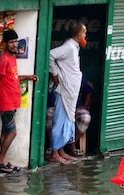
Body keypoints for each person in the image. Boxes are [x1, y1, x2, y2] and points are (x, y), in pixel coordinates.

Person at [0, 29, 38, 173]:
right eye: (11, 42)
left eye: (15, 41)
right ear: (5, 44)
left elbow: (13, 77)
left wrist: (28, 77)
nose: (14, 44)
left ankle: (1, 162)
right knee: (12, 133)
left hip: (12, 101)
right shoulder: (3, 59)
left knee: (6, 133)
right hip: (5, 102)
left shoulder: (12, 58)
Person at [48, 22, 86, 165]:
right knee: (60, 122)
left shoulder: (74, 48)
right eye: (84, 32)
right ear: (78, 34)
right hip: (64, 91)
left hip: (71, 92)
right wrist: (55, 75)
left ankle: (61, 151)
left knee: (68, 121)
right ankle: (54, 153)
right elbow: (51, 55)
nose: (85, 35)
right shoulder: (69, 47)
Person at [72, 78, 94, 157]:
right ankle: (54, 148)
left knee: (85, 117)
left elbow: (89, 88)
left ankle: (72, 143)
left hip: (76, 108)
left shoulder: (76, 76)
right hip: (57, 108)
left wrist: (85, 105)